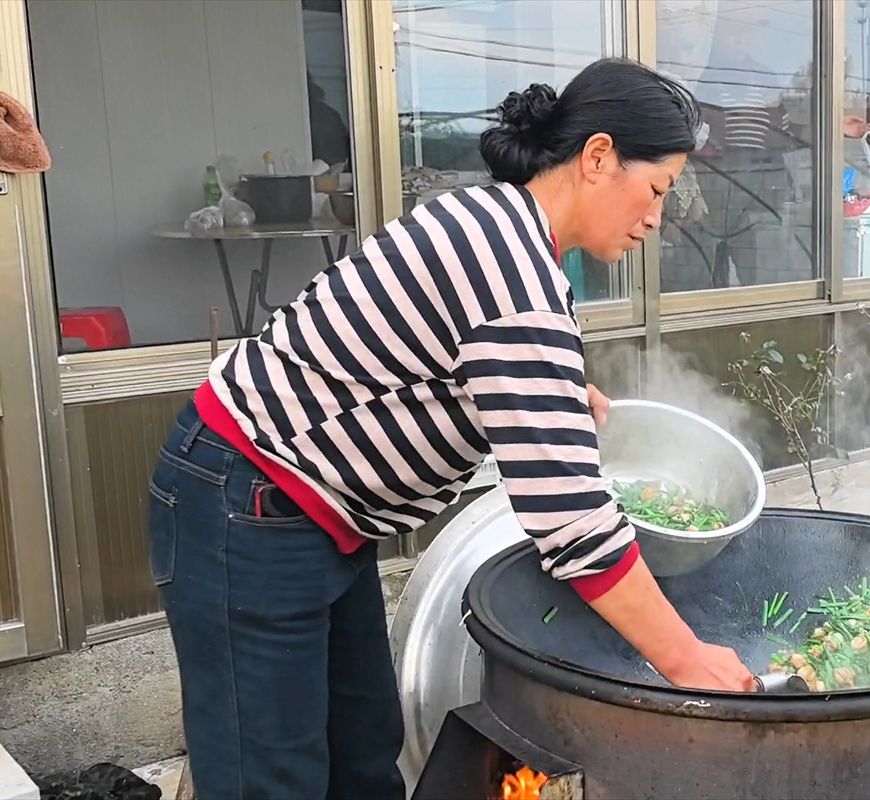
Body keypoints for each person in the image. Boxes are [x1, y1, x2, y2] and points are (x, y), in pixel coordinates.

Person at [146, 58, 755, 800]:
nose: (657, 217)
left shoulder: (498, 223)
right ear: (598, 157)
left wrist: (549, 390)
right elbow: (574, 526)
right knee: (272, 781)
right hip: (247, 502)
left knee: (365, 753)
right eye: (657, 188)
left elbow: (433, 350)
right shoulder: (513, 273)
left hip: (311, 514)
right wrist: (689, 662)